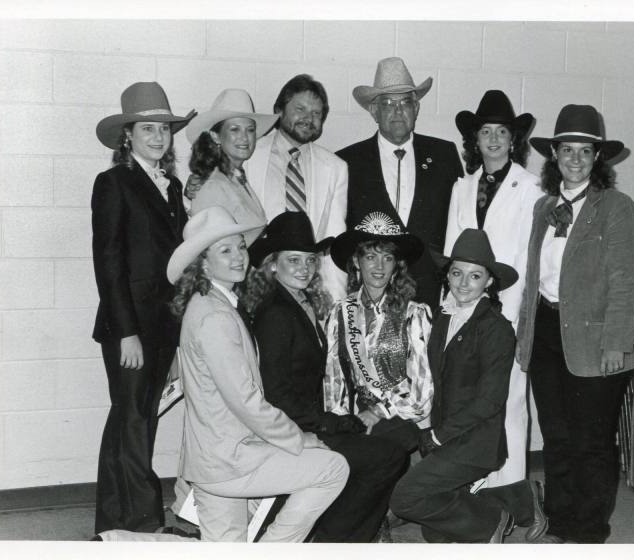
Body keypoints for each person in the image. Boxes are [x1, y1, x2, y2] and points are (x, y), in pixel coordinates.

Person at [166, 206, 349, 542]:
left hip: (214, 457)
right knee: (333, 467)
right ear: (203, 264)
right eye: (225, 251)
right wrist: (297, 439)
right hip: (229, 458)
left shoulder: (213, 304)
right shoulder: (215, 318)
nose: (238, 257)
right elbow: (247, 401)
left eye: (239, 246)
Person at [516, 104, 634, 543]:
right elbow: (535, 278)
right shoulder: (543, 207)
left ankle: (589, 532)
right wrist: (526, 337)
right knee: (557, 436)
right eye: (566, 149)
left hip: (597, 340)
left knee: (590, 441)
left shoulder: (617, 208)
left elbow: (625, 282)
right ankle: (559, 521)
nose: (574, 158)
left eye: (584, 151)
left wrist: (616, 344)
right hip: (547, 333)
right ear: (553, 155)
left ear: (597, 158)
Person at [249, 211, 406, 542]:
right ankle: (337, 539)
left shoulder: (298, 301)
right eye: (294, 260)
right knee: (385, 458)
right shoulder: (276, 312)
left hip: (309, 420)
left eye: (309, 260)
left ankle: (335, 533)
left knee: (382, 451)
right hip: (295, 429)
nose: (304, 268)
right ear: (273, 264)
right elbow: (277, 394)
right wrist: (332, 423)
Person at [390, 229, 546, 544]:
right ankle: (518, 497)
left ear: (488, 281)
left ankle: (493, 521)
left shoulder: (496, 329)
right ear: (447, 276)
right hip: (446, 434)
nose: (463, 283)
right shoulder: (442, 319)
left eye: (474, 276)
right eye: (456, 273)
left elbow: (489, 401)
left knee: (405, 499)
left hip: (474, 441)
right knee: (436, 533)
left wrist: (437, 435)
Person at [91, 81, 195, 534]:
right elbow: (108, 262)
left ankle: (115, 519)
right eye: (147, 128)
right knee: (133, 419)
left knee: (135, 418)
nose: (158, 136)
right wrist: (127, 331)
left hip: (162, 323)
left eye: (164, 129)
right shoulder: (114, 183)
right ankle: (142, 521)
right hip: (128, 326)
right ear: (127, 136)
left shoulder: (171, 187)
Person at [446, 90, 543, 488]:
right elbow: (454, 246)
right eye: (485, 131)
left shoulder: (531, 187)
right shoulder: (462, 187)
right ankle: (473, 483)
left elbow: (525, 255)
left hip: (507, 307)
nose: (493, 139)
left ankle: (511, 488)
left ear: (513, 139)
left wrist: (514, 311)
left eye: (502, 131)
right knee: (468, 398)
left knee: (510, 398)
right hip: (466, 304)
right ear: (475, 140)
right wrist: (452, 305)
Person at [337, 57, 464, 309]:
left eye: (405, 102)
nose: (397, 111)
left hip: (432, 292)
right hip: (372, 295)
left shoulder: (444, 155)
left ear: (416, 108)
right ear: (374, 111)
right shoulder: (347, 161)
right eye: (387, 103)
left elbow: (459, 222)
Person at [325, 211, 433, 454]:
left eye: (387, 258)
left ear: (396, 266)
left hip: (405, 417)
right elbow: (335, 380)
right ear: (356, 262)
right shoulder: (340, 313)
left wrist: (378, 412)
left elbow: (421, 390)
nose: (379, 266)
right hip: (360, 418)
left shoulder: (414, 314)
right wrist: (342, 423)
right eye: (371, 257)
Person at [245, 74, 348, 301]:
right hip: (254, 287)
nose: (308, 118)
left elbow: (334, 244)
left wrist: (336, 305)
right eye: (300, 109)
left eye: (316, 113)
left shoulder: (335, 168)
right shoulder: (249, 157)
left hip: (309, 290)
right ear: (279, 110)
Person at [184, 88, 277, 229]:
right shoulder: (212, 185)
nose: (245, 137)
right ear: (216, 136)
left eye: (250, 130)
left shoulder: (236, 178)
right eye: (235, 129)